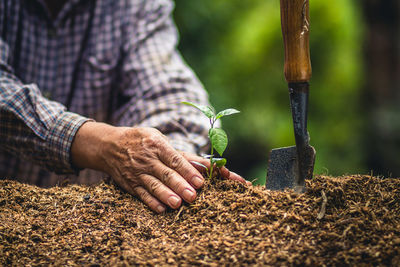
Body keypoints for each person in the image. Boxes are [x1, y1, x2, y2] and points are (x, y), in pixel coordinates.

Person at [0, 0, 247, 213]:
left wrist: (170, 162)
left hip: (90, 231)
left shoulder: (132, 5)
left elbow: (167, 89)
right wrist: (103, 145)